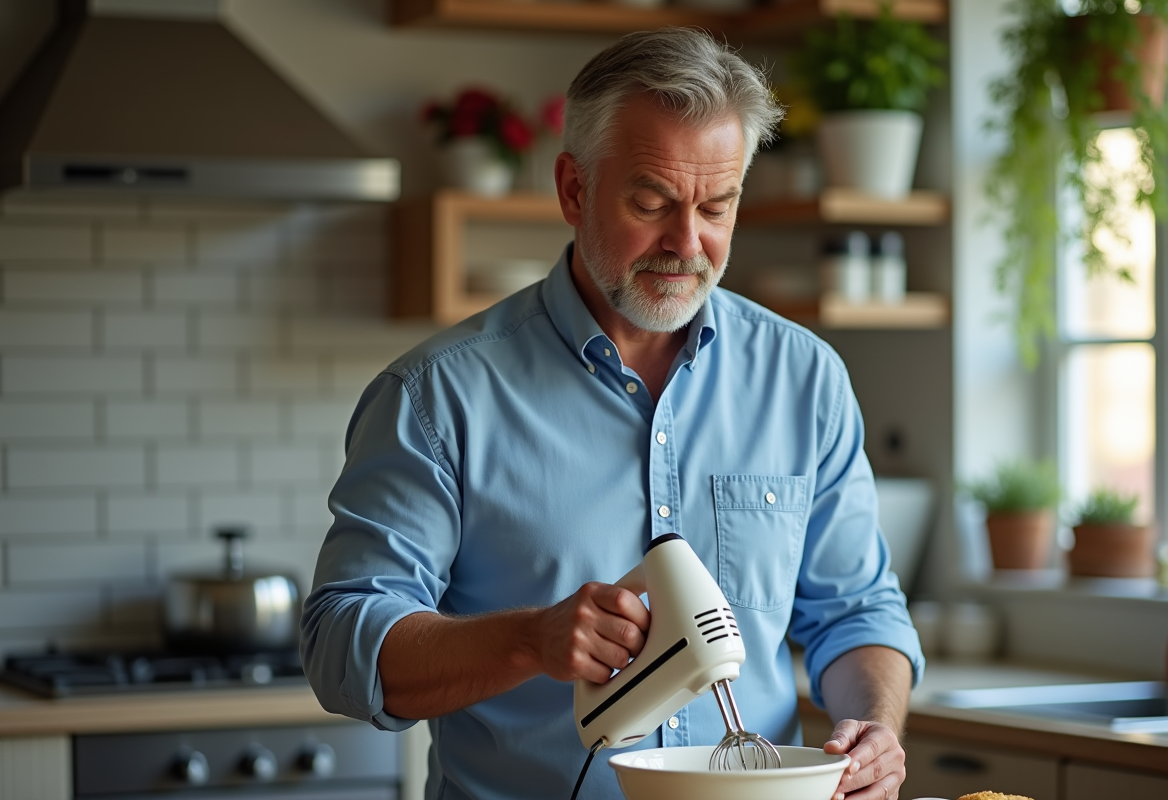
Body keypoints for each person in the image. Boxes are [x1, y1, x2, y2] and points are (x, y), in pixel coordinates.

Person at [301, 27, 924, 800]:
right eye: (652, 201)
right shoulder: (437, 397)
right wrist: (528, 640)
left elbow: (858, 613)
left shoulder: (806, 379)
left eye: (717, 206)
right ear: (573, 190)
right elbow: (340, 643)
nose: (687, 243)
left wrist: (875, 730)